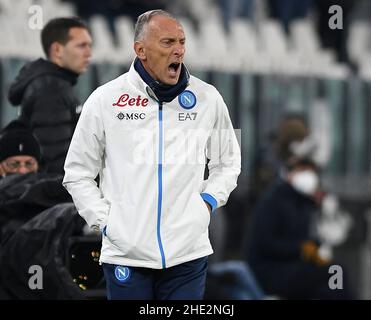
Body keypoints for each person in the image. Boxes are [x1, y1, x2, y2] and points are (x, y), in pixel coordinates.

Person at [63, 9, 241, 300]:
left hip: (188, 254)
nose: (179, 50)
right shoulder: (105, 100)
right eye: (168, 42)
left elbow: (228, 162)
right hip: (126, 255)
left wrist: (206, 203)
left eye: (182, 42)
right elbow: (77, 172)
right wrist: (106, 222)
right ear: (140, 50)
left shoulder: (208, 98)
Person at [246, 157, 353, 299]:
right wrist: (301, 249)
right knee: (335, 272)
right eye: (302, 170)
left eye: (310, 172)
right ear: (289, 174)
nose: (307, 176)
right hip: (270, 270)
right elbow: (265, 243)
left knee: (331, 281)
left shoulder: (304, 203)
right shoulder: (273, 201)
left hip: (292, 267)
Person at [8, 17, 92, 174]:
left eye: (89, 45)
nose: (89, 53)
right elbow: (56, 160)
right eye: (81, 46)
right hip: (55, 193)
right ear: (57, 50)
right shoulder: (51, 89)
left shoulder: (57, 84)